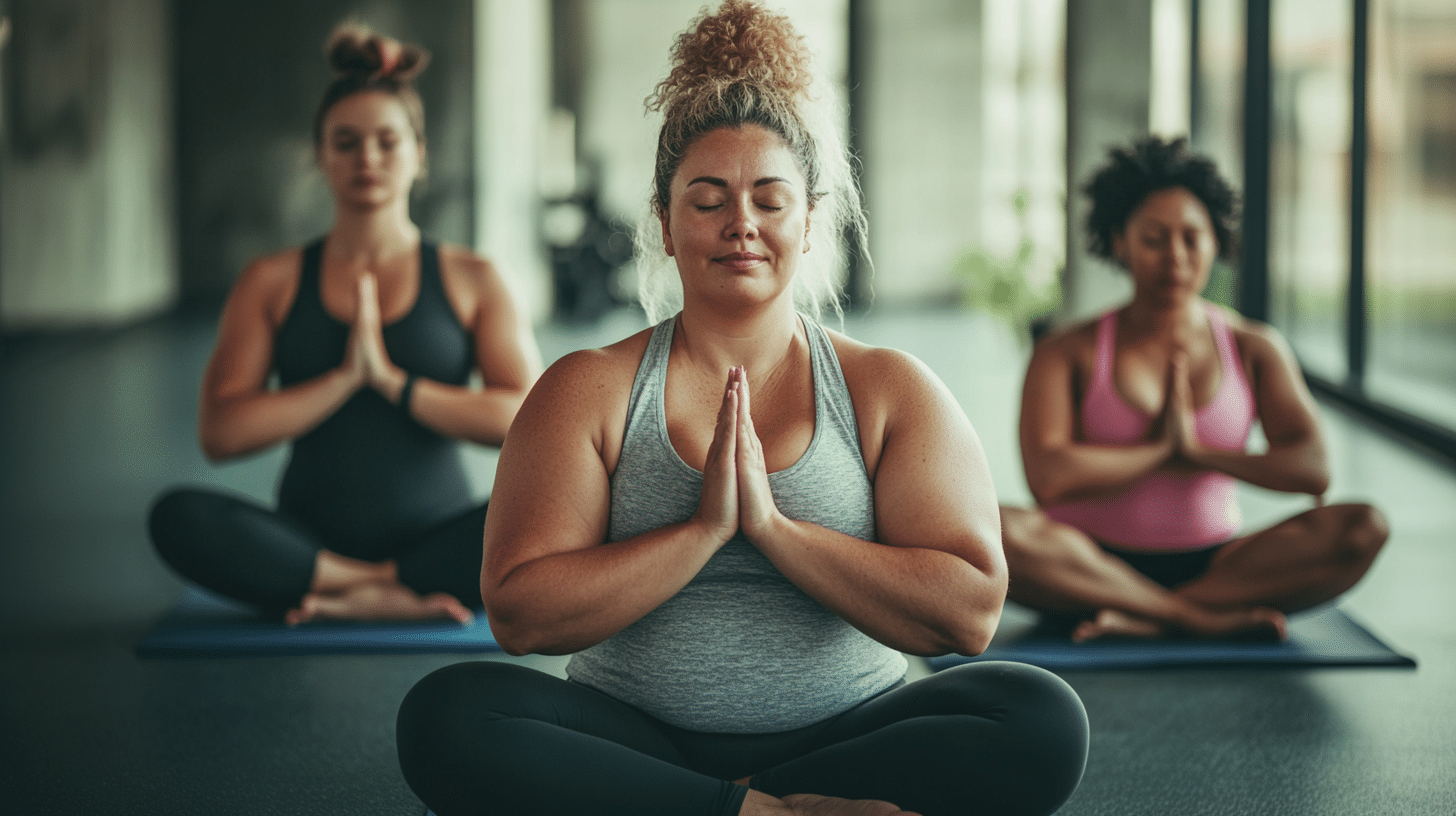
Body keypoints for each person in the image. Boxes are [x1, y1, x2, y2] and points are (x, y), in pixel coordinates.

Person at [395, 4, 1088, 816]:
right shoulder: (591, 387)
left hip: (850, 734)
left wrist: (774, 530)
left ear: (809, 216)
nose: (741, 226)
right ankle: (768, 810)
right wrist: (699, 532)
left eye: (769, 198)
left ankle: (707, 806)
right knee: (444, 717)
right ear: (664, 219)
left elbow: (969, 612)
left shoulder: (886, 387)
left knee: (1040, 716)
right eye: (708, 198)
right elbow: (518, 610)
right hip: (636, 738)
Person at [148, 23, 541, 625]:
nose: (368, 159)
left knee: (555, 507)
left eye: (388, 141)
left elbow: (527, 421)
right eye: (347, 142)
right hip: (306, 543)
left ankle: (357, 590)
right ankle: (377, 587)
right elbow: (222, 432)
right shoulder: (271, 281)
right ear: (320, 154)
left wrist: (391, 382)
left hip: (441, 537)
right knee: (176, 517)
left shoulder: (474, 277)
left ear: (419, 153)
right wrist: (343, 378)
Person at [1000, 135, 1389, 642]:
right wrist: (1159, 448)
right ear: (1120, 242)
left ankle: (1146, 615)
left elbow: (1311, 469)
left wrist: (1199, 452)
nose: (1175, 257)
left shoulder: (1254, 347)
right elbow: (1048, 477)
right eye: (1153, 238)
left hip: (1221, 567)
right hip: (1084, 560)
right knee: (996, 528)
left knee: (1364, 527)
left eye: (1191, 237)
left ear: (1215, 242)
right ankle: (1189, 618)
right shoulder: (1065, 351)